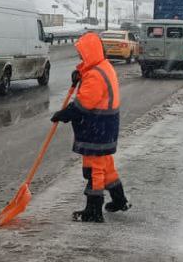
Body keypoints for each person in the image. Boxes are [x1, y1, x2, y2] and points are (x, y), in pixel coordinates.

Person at [51, 31, 132, 222]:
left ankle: (93, 210)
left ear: (90, 53)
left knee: (95, 168)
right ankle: (120, 200)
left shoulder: (96, 75)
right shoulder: (103, 66)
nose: (80, 56)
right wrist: (80, 74)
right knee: (105, 164)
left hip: (98, 124)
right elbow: (90, 80)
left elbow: (84, 103)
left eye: (82, 54)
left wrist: (65, 114)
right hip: (104, 125)